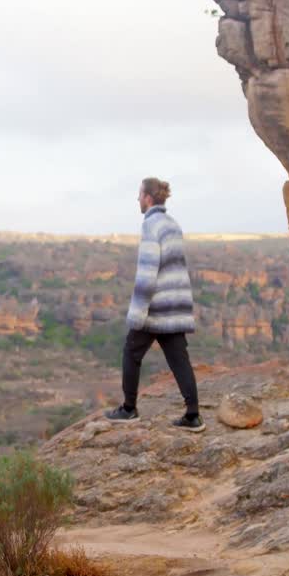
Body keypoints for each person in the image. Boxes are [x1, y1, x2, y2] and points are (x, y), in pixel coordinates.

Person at [105, 177, 204, 432]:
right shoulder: (173, 224)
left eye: (139, 195)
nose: (137, 200)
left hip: (156, 308)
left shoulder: (151, 225)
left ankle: (129, 409)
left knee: (131, 352)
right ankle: (193, 416)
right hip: (175, 306)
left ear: (148, 198)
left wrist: (137, 313)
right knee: (179, 360)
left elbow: (147, 274)